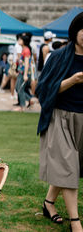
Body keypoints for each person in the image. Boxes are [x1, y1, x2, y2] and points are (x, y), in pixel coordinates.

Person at [36, 12, 83, 232]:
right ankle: (76, 222)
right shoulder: (59, 56)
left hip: (81, 120)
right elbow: (43, 90)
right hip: (59, 117)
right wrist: (72, 81)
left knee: (70, 166)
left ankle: (48, 204)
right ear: (75, 32)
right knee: (67, 166)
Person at [13, 35, 34, 111]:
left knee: (20, 88)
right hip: (21, 72)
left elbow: (27, 63)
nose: (19, 40)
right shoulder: (24, 49)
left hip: (24, 73)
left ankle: (23, 106)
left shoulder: (26, 50)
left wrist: (25, 74)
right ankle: (30, 100)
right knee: (18, 88)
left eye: (20, 39)